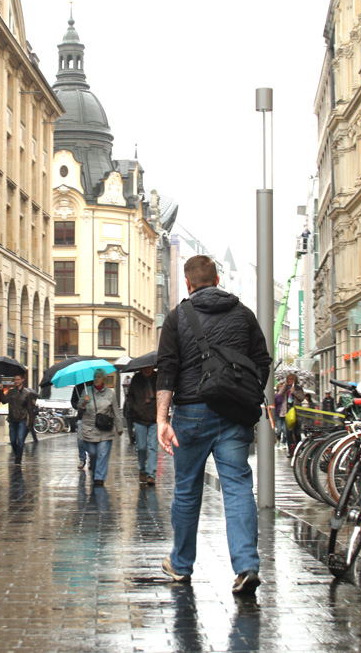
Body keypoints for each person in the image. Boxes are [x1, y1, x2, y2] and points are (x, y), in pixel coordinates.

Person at [156, 254, 272, 595]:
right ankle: (246, 565)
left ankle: (181, 565)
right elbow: (262, 362)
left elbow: (167, 369)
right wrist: (246, 394)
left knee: (187, 489)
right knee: (237, 487)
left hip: (191, 412)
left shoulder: (177, 317)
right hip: (234, 414)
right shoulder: (244, 315)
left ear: (188, 283)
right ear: (218, 280)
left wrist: (163, 419)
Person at [76, 369, 124, 486]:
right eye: (95, 377)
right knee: (93, 452)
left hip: (105, 428)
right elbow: (79, 407)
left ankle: (99, 478)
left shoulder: (109, 393)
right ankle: (95, 470)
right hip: (89, 428)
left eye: (99, 377)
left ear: (103, 379)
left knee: (102, 453)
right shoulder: (86, 392)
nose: (96, 379)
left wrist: (119, 427)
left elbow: (115, 411)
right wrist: (83, 403)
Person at [124, 365, 159, 486]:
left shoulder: (157, 378)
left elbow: (163, 394)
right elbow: (130, 397)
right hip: (139, 418)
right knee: (141, 447)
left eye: (149, 368)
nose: (146, 370)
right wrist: (134, 408)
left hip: (155, 418)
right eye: (144, 368)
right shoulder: (136, 379)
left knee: (153, 447)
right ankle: (142, 470)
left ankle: (151, 474)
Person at [0, 374, 36, 466]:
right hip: (12, 419)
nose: (16, 381)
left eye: (18, 379)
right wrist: (0, 391)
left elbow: (30, 409)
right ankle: (17, 455)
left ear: (22, 380)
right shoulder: (11, 392)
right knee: (12, 441)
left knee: (20, 440)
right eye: (14, 379)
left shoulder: (27, 394)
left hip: (22, 420)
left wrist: (30, 423)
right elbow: (4, 401)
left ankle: (18, 459)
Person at [274, 374, 304, 450]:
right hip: (287, 412)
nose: (290, 380)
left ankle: (298, 448)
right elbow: (280, 393)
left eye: (292, 379)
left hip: (296, 412)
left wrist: (294, 392)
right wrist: (285, 385)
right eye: (288, 379)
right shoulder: (286, 388)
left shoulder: (298, 388)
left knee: (297, 432)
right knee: (288, 432)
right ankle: (290, 450)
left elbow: (301, 398)